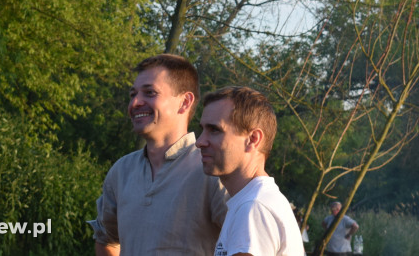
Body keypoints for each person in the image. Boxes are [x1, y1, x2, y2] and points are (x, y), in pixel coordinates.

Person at [89, 54, 227, 255]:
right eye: (132, 94)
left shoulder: (212, 170)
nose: (135, 102)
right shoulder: (121, 171)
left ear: (185, 102)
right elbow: (106, 240)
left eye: (150, 93)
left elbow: (247, 244)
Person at [197, 86, 305, 256]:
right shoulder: (252, 201)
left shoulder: (254, 207)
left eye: (215, 130)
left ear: (253, 139)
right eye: (202, 130)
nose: (200, 142)